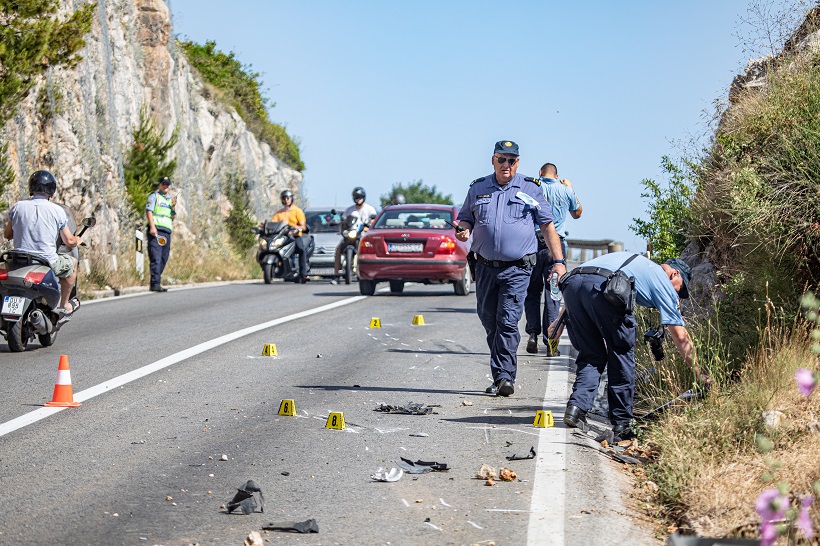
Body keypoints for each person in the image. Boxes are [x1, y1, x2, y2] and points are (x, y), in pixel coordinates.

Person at [455, 140, 567, 397]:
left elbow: (547, 227)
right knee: (489, 320)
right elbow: (466, 219)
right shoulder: (478, 188)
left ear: (518, 162)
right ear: (493, 160)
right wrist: (463, 231)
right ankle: (500, 375)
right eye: (501, 159)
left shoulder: (530, 188)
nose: (506, 164)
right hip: (484, 267)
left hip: (517, 269)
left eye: (511, 160)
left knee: (507, 320)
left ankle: (505, 376)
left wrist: (559, 262)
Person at [559, 251, 707, 441]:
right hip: (603, 286)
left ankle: (576, 409)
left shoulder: (640, 264)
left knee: (591, 354)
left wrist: (559, 320)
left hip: (572, 284)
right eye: (680, 289)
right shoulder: (662, 280)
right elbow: (680, 334)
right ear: (675, 274)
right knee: (621, 353)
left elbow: (584, 281)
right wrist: (699, 373)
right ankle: (622, 424)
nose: (677, 293)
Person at [4, 170, 83, 315]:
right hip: (45, 261)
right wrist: (77, 239)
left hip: (18, 260)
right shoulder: (57, 210)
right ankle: (64, 305)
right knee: (73, 263)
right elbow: (69, 241)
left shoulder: (18, 206)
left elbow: (8, 234)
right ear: (52, 189)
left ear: (31, 187)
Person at [524, 163, 582, 354]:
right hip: (556, 246)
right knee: (553, 294)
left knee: (532, 291)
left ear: (540, 173)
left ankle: (532, 334)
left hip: (533, 243)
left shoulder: (532, 187)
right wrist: (571, 189)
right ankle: (551, 342)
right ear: (557, 176)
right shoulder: (565, 190)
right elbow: (577, 213)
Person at [332, 186, 377, 283]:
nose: (358, 199)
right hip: (351, 234)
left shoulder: (370, 209)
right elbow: (344, 221)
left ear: (363, 198)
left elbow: (373, 222)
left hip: (363, 236)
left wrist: (367, 227)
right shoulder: (349, 210)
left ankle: (368, 272)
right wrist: (342, 228)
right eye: (356, 197)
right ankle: (336, 275)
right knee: (338, 249)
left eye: (360, 197)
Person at [269, 189, 310, 283]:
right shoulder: (279, 213)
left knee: (301, 249)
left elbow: (303, 226)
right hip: (282, 237)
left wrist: (297, 227)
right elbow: (273, 223)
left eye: (288, 198)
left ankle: (303, 274)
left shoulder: (297, 211)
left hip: (294, 236)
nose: (286, 200)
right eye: (284, 198)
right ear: (282, 200)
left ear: (292, 199)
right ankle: (281, 270)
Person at [145, 176, 177, 292]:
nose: (165, 186)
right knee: (156, 257)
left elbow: (172, 217)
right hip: (156, 230)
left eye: (167, 184)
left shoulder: (169, 200)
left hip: (167, 231)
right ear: (160, 185)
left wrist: (173, 206)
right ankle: (155, 283)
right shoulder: (154, 196)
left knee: (164, 258)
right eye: (163, 184)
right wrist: (152, 227)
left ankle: (156, 280)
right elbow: (149, 211)